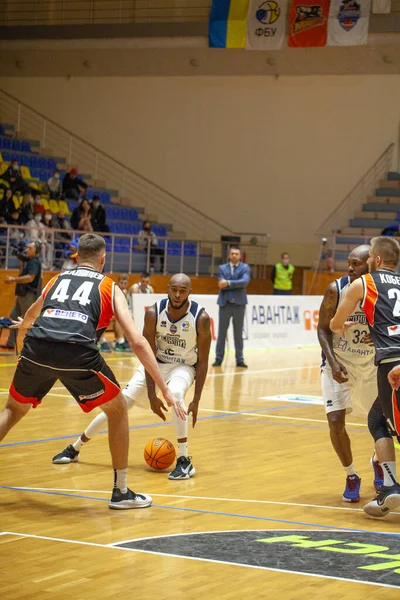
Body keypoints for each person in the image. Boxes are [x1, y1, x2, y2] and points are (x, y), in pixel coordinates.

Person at [0, 233, 185, 510]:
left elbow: (31, 316)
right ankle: (121, 491)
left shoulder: (56, 279)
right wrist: (165, 387)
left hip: (36, 348)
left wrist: (22, 337)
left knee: (13, 410)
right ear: (103, 258)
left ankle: (121, 489)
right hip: (77, 351)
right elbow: (136, 341)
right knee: (118, 409)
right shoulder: (109, 286)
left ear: (76, 257)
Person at [53, 273, 211, 480]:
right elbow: (148, 354)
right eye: (174, 289)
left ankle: (184, 461)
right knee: (116, 405)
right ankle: (75, 448)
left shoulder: (201, 318)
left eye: (183, 291)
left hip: (183, 367)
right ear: (168, 289)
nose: (178, 294)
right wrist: (152, 395)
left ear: (190, 292)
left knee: (176, 394)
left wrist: (197, 399)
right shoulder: (154, 312)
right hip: (155, 364)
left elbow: (203, 361)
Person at [330, 236, 400, 517]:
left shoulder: (364, 283)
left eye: (370, 256)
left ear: (378, 260)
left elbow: (335, 323)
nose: (368, 260)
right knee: (377, 418)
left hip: (391, 365)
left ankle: (392, 486)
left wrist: (342, 324)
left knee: (388, 425)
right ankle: (391, 487)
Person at [317, 245, 381, 503]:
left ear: (372, 264)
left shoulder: (382, 292)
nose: (351, 268)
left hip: (370, 365)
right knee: (335, 422)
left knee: (379, 425)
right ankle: (351, 475)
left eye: (357, 264)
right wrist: (332, 363)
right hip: (338, 362)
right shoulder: (336, 289)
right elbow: (322, 330)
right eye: (349, 263)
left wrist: (377, 335)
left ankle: (378, 460)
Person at [212, 247, 251, 368]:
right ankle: (218, 358)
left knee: (238, 333)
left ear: (240, 256)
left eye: (237, 254)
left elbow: (244, 282)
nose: (234, 255)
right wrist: (236, 284)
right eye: (232, 254)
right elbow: (220, 284)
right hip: (225, 304)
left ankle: (240, 359)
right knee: (222, 333)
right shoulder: (222, 268)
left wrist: (228, 283)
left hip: (239, 305)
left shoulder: (245, 267)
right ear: (229, 255)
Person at [0, 240, 42, 351]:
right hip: (22, 295)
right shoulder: (29, 261)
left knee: (30, 321)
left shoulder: (34, 262)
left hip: (28, 295)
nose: (27, 250)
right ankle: (11, 343)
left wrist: (14, 279)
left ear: (36, 251)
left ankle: (34, 347)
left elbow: (30, 278)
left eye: (30, 248)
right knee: (14, 316)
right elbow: (22, 273)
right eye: (27, 247)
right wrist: (21, 262)